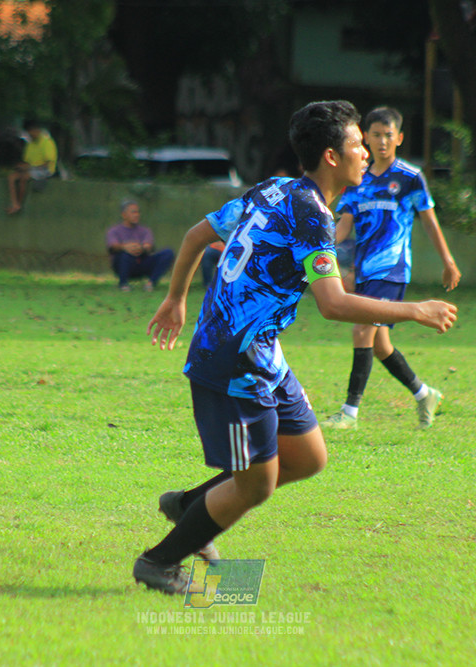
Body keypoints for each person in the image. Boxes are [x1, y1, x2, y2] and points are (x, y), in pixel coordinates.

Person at [133, 100, 458, 595]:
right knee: (256, 485)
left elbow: (198, 234)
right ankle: (159, 562)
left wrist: (177, 297)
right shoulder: (310, 214)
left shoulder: (275, 188)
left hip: (264, 354)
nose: (367, 152)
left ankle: (189, 506)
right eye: (357, 144)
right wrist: (416, 310)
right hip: (234, 361)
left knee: (308, 457)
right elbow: (332, 303)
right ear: (332, 156)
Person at [322, 107, 461, 431]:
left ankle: (349, 413)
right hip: (366, 269)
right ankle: (424, 393)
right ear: (366, 139)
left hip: (393, 269)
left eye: (389, 135)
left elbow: (429, 221)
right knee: (380, 344)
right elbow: (344, 226)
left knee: (361, 331)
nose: (382, 141)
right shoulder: (357, 179)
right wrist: (318, 247)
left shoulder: (410, 178)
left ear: (398, 138)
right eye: (376, 135)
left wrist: (448, 261)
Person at [105, 200, 175, 291]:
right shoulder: (114, 230)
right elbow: (112, 246)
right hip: (124, 264)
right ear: (124, 215)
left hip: (142, 261)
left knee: (168, 252)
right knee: (124, 254)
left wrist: (140, 248)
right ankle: (123, 284)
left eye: (138, 212)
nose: (137, 215)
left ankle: (151, 284)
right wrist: (125, 247)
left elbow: (148, 245)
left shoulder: (145, 230)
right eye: (133, 212)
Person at [6, 119, 57, 215]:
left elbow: (47, 163)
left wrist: (30, 167)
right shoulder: (30, 143)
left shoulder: (46, 142)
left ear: (36, 130)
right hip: (30, 168)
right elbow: (26, 161)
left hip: (45, 170)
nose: (30, 135)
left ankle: (19, 205)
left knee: (24, 177)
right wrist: (21, 166)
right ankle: (14, 203)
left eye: (31, 133)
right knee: (12, 177)